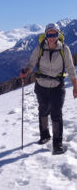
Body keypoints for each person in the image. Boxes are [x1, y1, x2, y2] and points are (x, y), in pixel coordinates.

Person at [20, 23, 77, 154]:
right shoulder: (40, 48)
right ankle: (45, 135)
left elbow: (70, 69)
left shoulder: (64, 49)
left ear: (58, 35)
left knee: (56, 113)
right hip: (41, 85)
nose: (51, 37)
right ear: (45, 35)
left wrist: (75, 86)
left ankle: (58, 143)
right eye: (49, 34)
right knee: (43, 110)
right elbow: (31, 63)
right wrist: (26, 71)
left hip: (57, 85)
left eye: (54, 34)